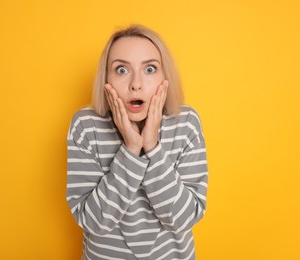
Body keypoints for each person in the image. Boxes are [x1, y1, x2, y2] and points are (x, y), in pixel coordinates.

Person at [66, 24, 208, 260]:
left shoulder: (186, 123)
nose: (136, 84)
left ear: (165, 77)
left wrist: (152, 146)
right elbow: (93, 221)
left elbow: (184, 218)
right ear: (106, 79)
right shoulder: (85, 126)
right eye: (121, 70)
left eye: (150, 69)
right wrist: (131, 149)